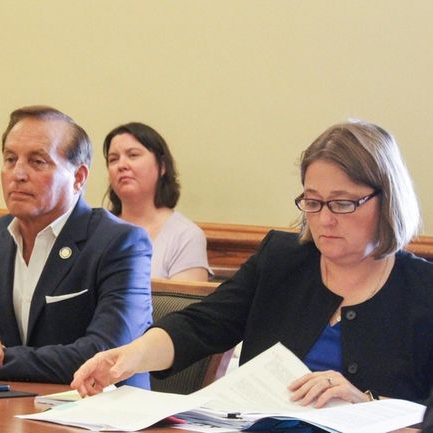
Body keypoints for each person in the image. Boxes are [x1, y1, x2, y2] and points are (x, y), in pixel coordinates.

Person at [73, 120, 433, 405]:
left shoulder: (422, 289)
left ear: (386, 201)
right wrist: (127, 358)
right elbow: (201, 325)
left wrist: (365, 403)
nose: (324, 220)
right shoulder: (282, 259)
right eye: (312, 201)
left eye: (341, 203)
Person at [0, 105, 153, 386]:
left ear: (78, 178)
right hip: (12, 407)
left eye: (38, 162)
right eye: (10, 159)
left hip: (101, 413)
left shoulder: (120, 242)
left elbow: (106, 353)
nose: (18, 173)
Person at [104, 122, 210, 281]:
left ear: (162, 166)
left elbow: (182, 303)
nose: (121, 165)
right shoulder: (96, 230)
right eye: (113, 159)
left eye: (133, 155)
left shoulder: (186, 236)